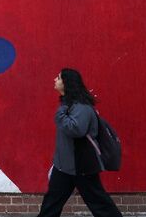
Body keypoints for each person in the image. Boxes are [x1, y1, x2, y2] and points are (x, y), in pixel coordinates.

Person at [37, 68, 123, 217]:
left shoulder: (81, 107)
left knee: (100, 204)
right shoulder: (69, 105)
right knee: (51, 204)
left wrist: (60, 113)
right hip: (64, 167)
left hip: (82, 167)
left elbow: (76, 130)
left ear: (67, 83)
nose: (54, 80)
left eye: (58, 78)